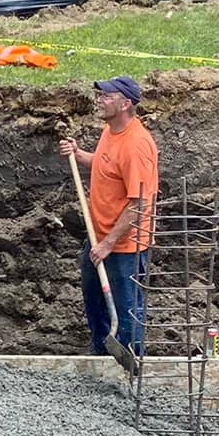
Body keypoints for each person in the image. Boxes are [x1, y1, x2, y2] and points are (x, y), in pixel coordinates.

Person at [58, 76, 158, 356]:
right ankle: (103, 357)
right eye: (100, 95)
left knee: (127, 311)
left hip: (124, 244)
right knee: (95, 301)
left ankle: (131, 364)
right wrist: (78, 155)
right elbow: (105, 163)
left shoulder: (136, 146)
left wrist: (109, 243)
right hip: (98, 235)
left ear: (125, 103)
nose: (99, 101)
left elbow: (140, 204)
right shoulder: (110, 130)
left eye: (106, 96)